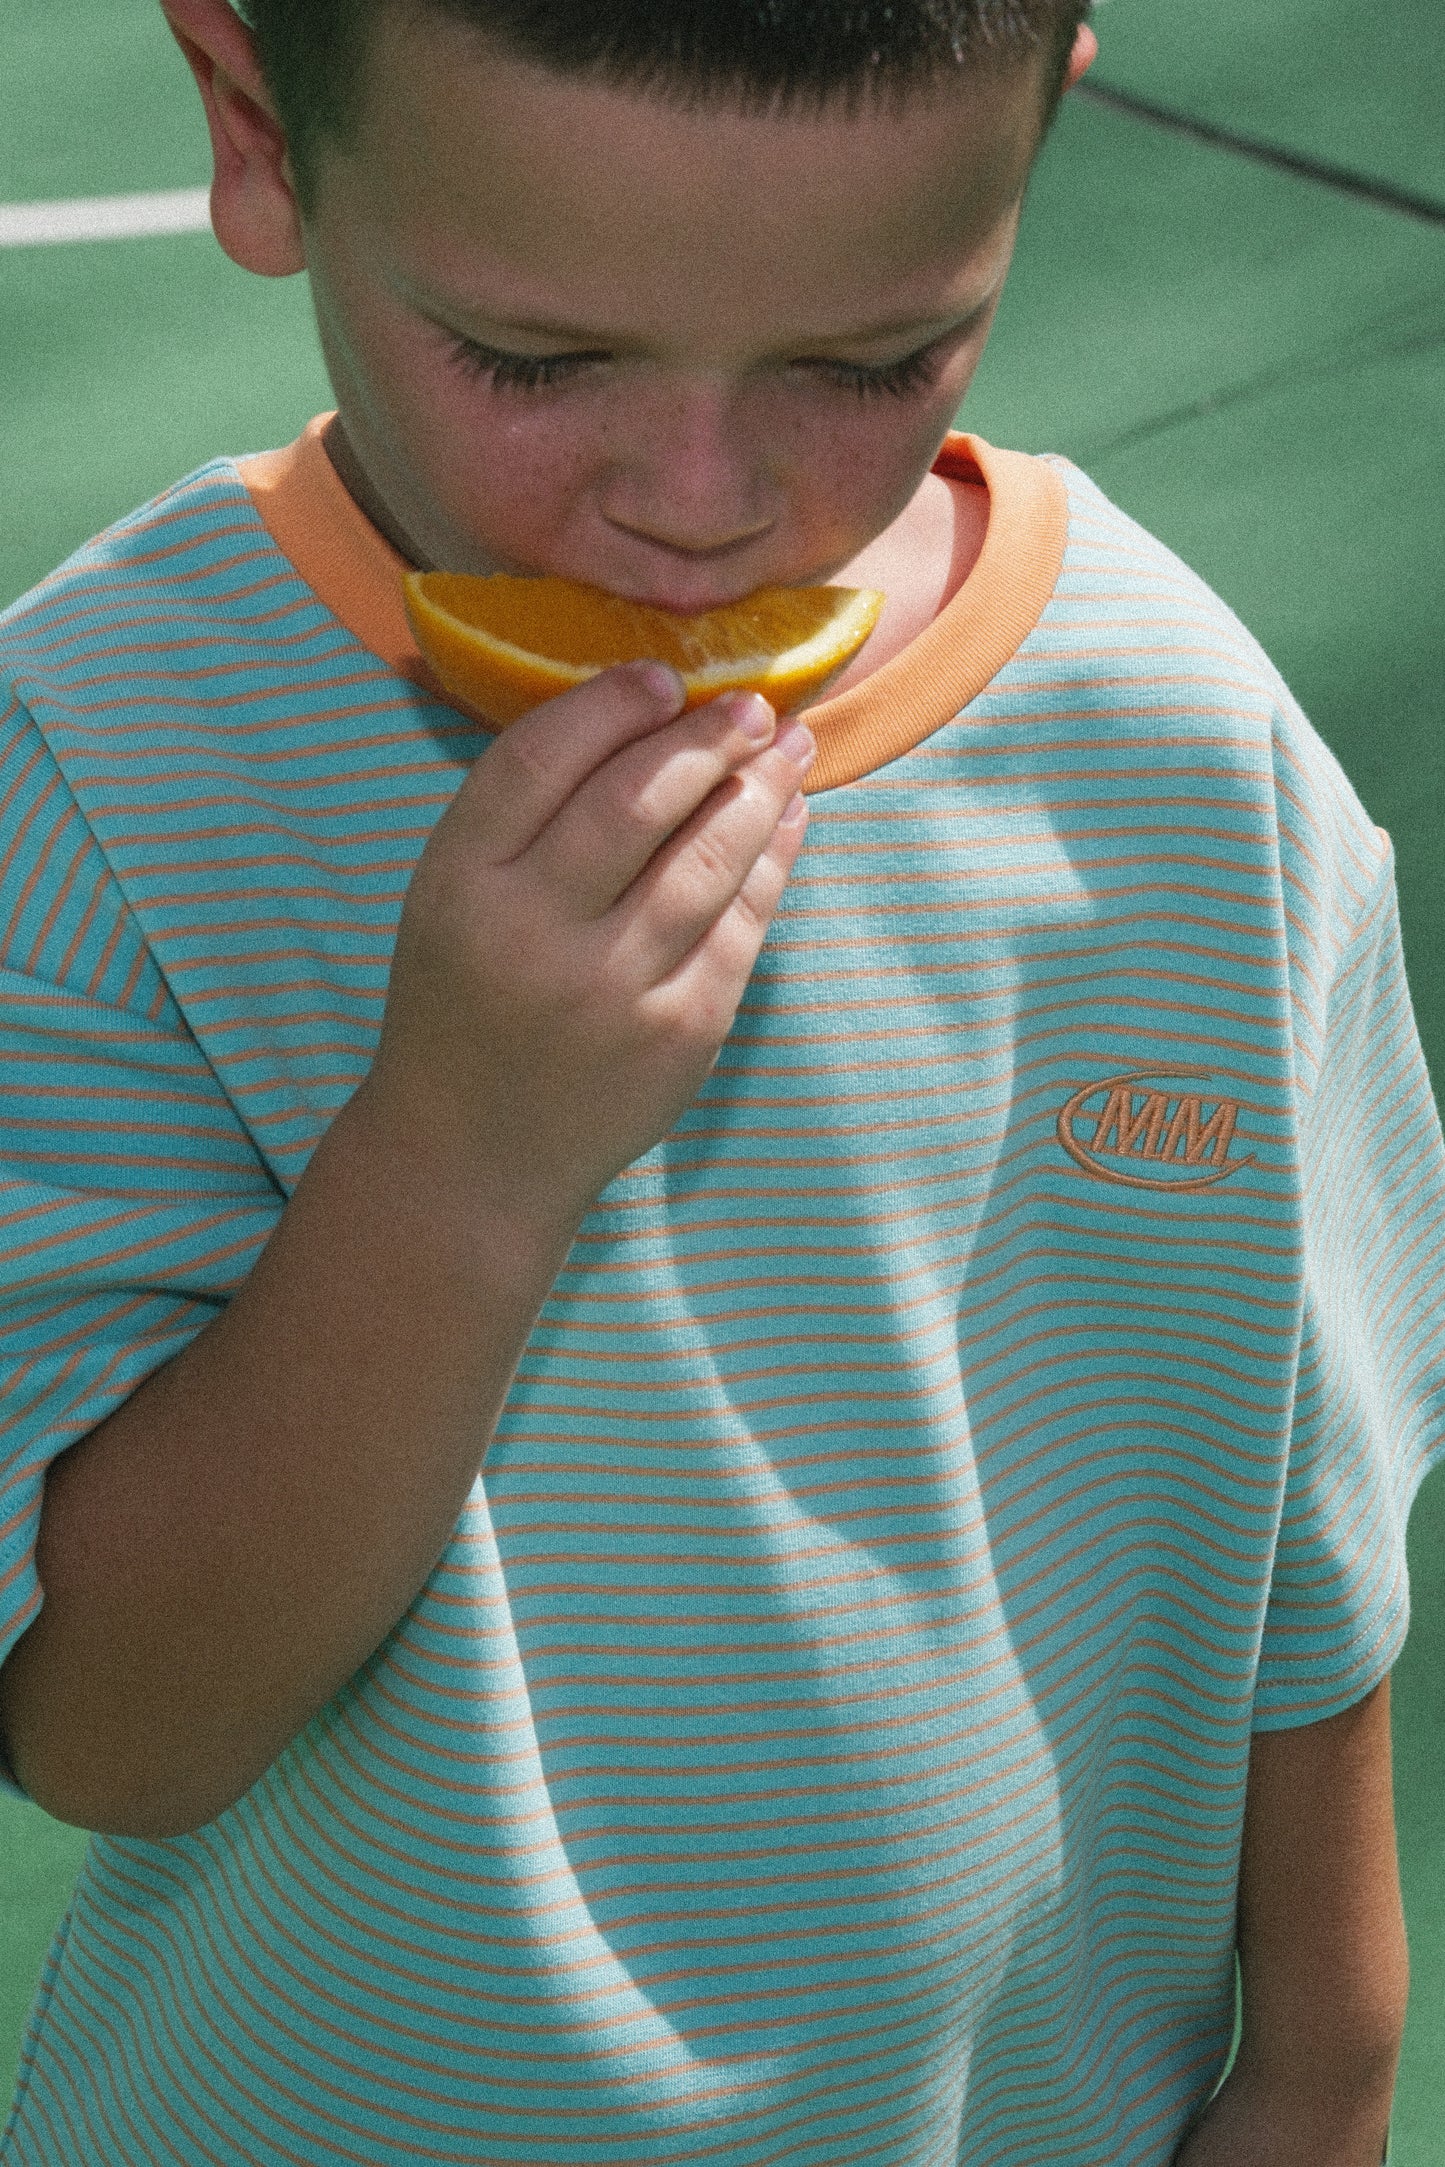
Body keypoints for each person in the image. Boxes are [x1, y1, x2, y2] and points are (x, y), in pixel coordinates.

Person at [0, 0, 1437, 2159]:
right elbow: (117, 1724)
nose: (698, 505)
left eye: (871, 363)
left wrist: (1324, 2060)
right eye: (536, 359)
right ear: (254, 124)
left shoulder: (1195, 775)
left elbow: (1298, 1525)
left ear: (1046, 117)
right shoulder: (102, 772)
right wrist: (463, 1162)